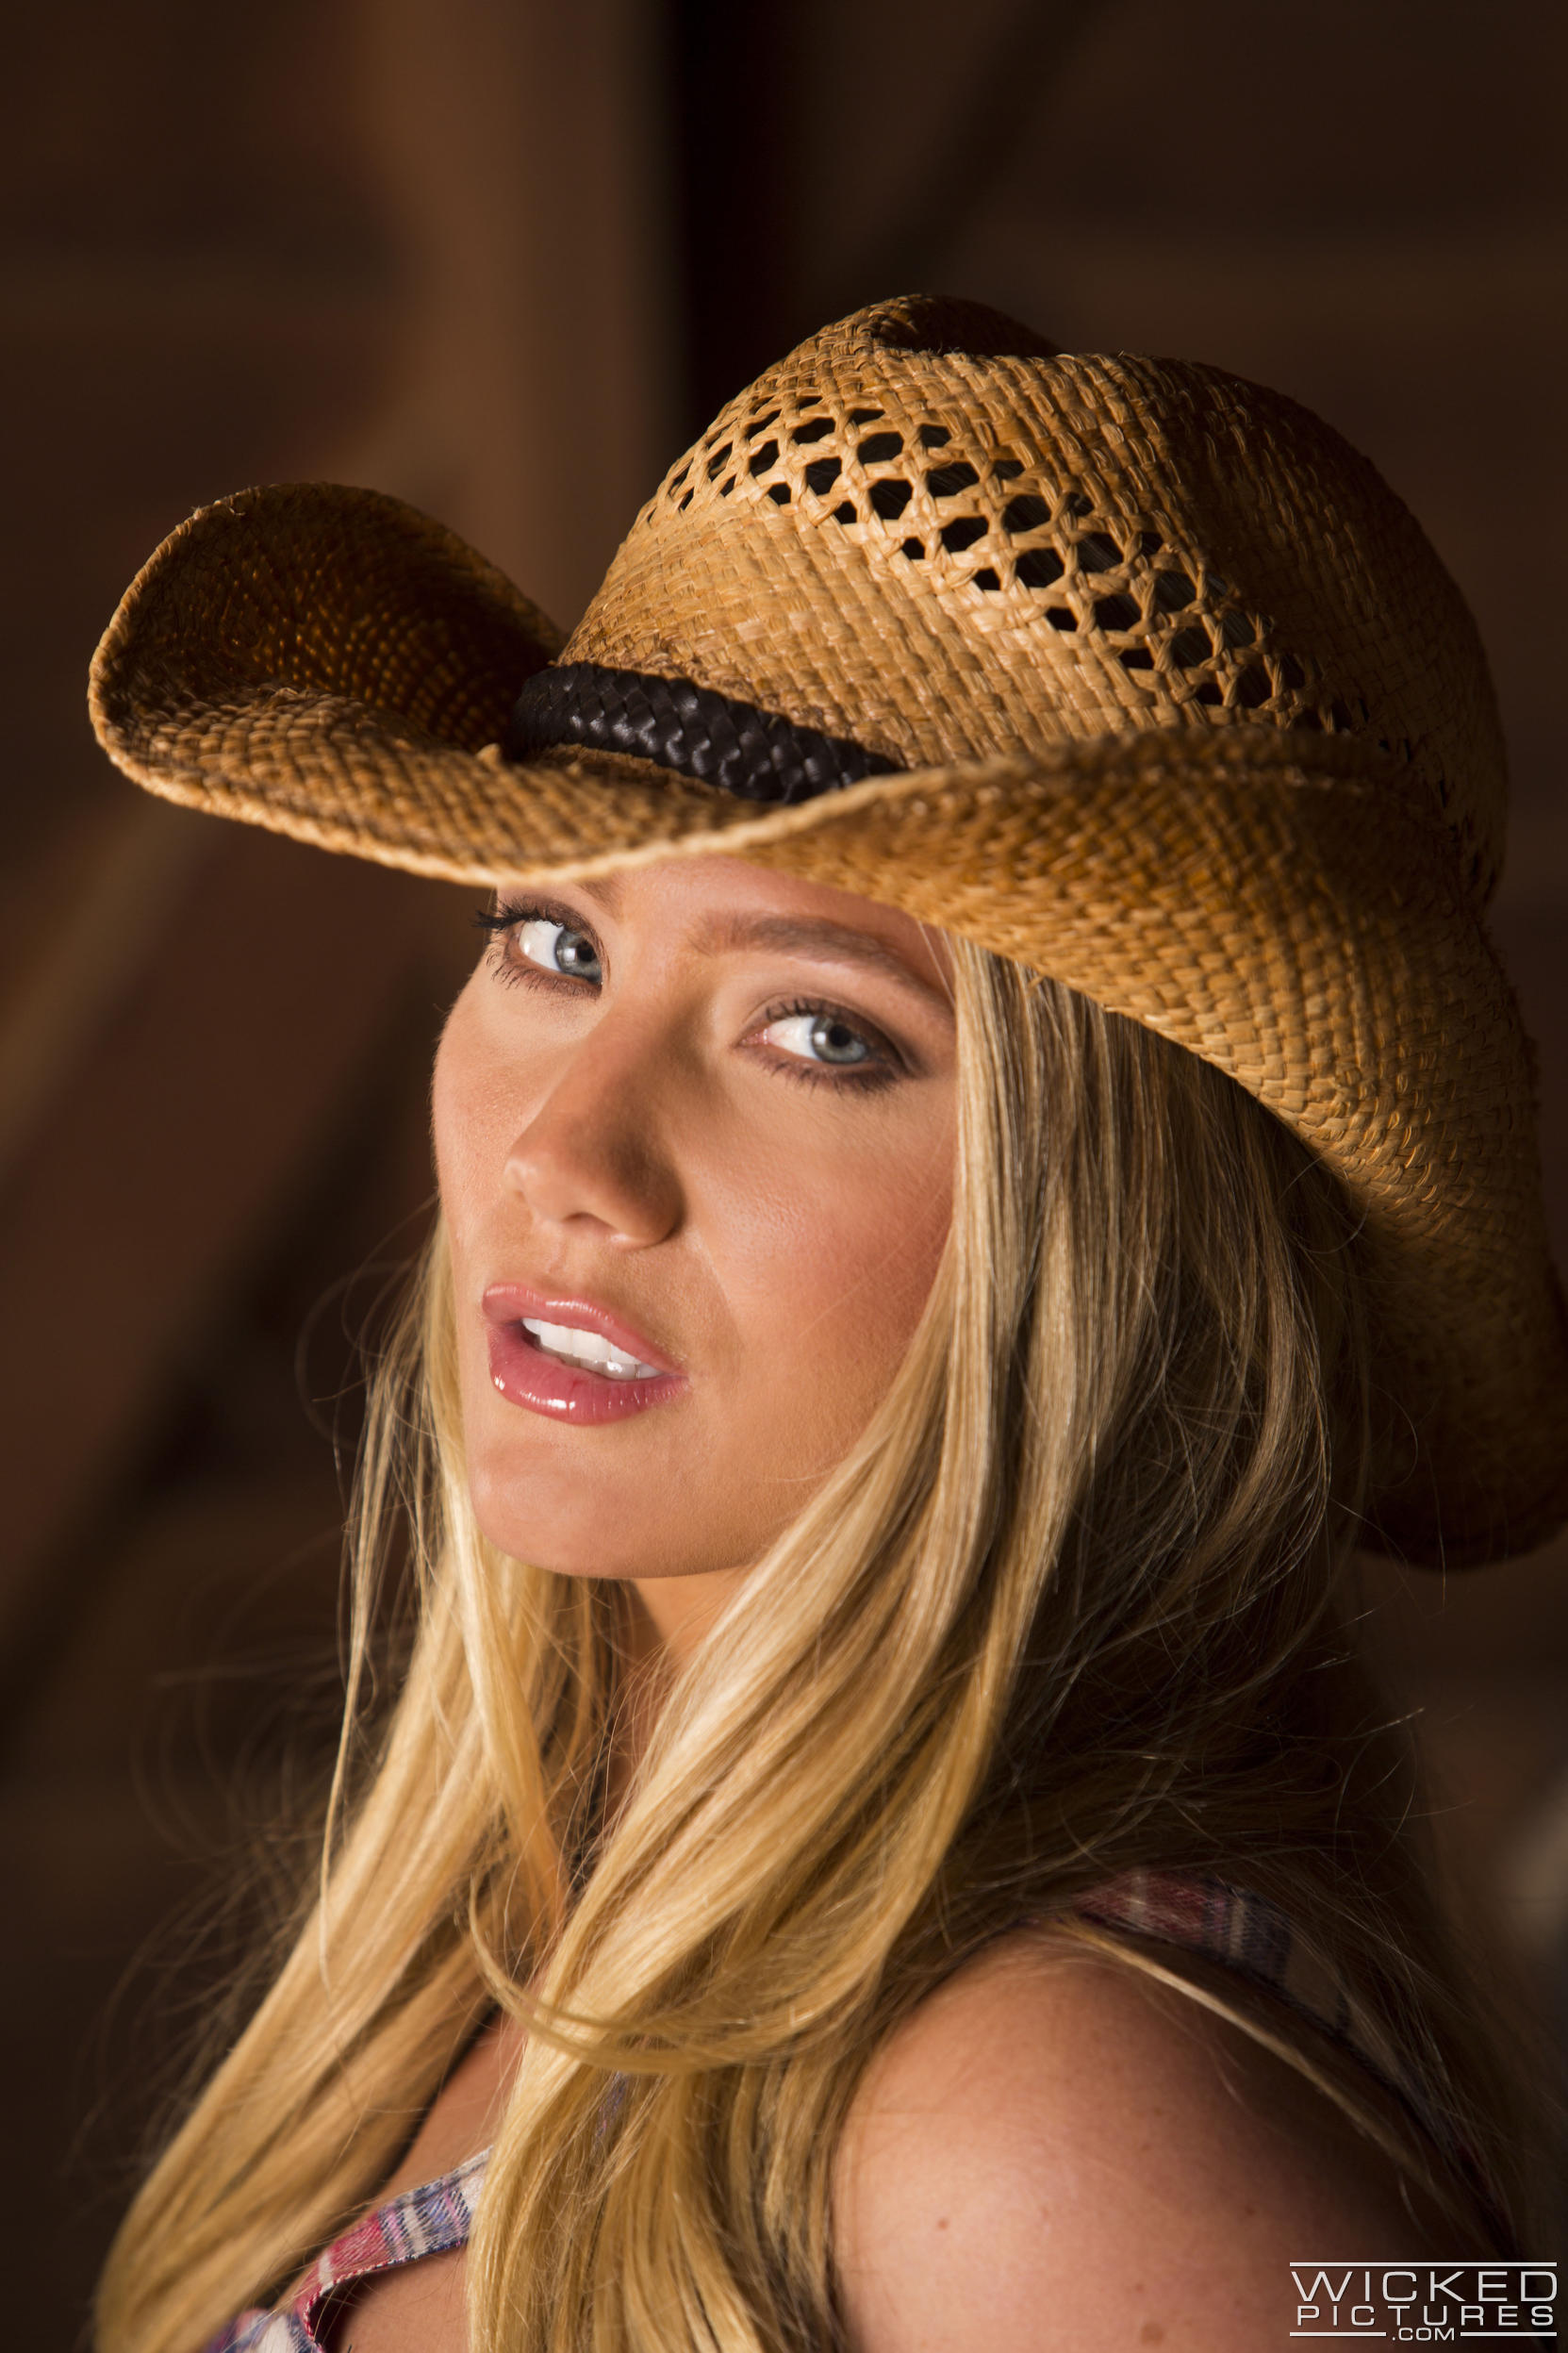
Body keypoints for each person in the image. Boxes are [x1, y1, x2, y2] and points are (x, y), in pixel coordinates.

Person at [86, 295, 1566, 2353]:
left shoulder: (1057, 2135)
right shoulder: (522, 1926)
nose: (569, 1154)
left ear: (1121, 1233)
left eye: (821, 1032)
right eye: (555, 942)